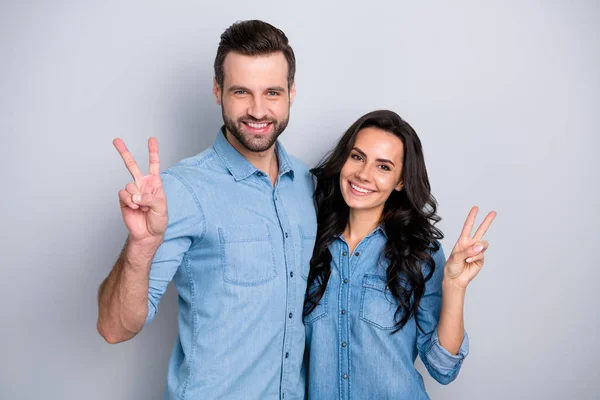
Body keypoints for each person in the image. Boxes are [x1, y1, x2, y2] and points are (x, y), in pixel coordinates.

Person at [96, 20, 316, 400]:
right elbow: (115, 327)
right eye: (241, 92)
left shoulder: (309, 186)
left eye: (273, 92)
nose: (258, 110)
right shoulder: (180, 191)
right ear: (218, 91)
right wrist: (141, 245)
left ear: (292, 93)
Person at [303, 110, 496, 399]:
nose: (363, 174)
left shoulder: (419, 252)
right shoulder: (307, 240)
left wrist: (454, 287)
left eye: (383, 167)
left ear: (400, 181)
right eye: (357, 156)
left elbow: (443, 369)